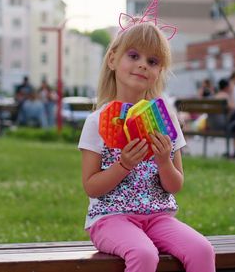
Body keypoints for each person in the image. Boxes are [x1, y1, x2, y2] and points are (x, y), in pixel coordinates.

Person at [78, 19, 215, 272]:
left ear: (158, 72)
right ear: (112, 60)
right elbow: (91, 187)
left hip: (158, 217)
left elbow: (175, 185)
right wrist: (124, 165)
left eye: (152, 61)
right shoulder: (98, 121)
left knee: (202, 250)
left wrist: (164, 161)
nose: (143, 64)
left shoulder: (165, 120)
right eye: (133, 55)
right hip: (109, 219)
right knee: (143, 254)